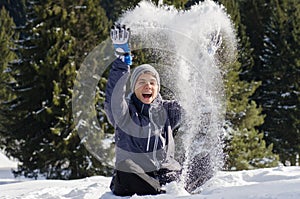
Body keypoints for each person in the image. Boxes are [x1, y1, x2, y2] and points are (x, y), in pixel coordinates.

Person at [104, 24, 182, 196]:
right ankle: (159, 192)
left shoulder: (168, 110)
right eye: (141, 82)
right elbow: (113, 101)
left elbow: (194, 105)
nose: (148, 85)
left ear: (157, 88)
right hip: (134, 178)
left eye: (152, 82)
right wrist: (122, 62)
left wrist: (204, 61)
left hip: (166, 177)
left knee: (202, 161)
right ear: (134, 88)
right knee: (125, 167)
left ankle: (168, 190)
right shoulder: (125, 113)